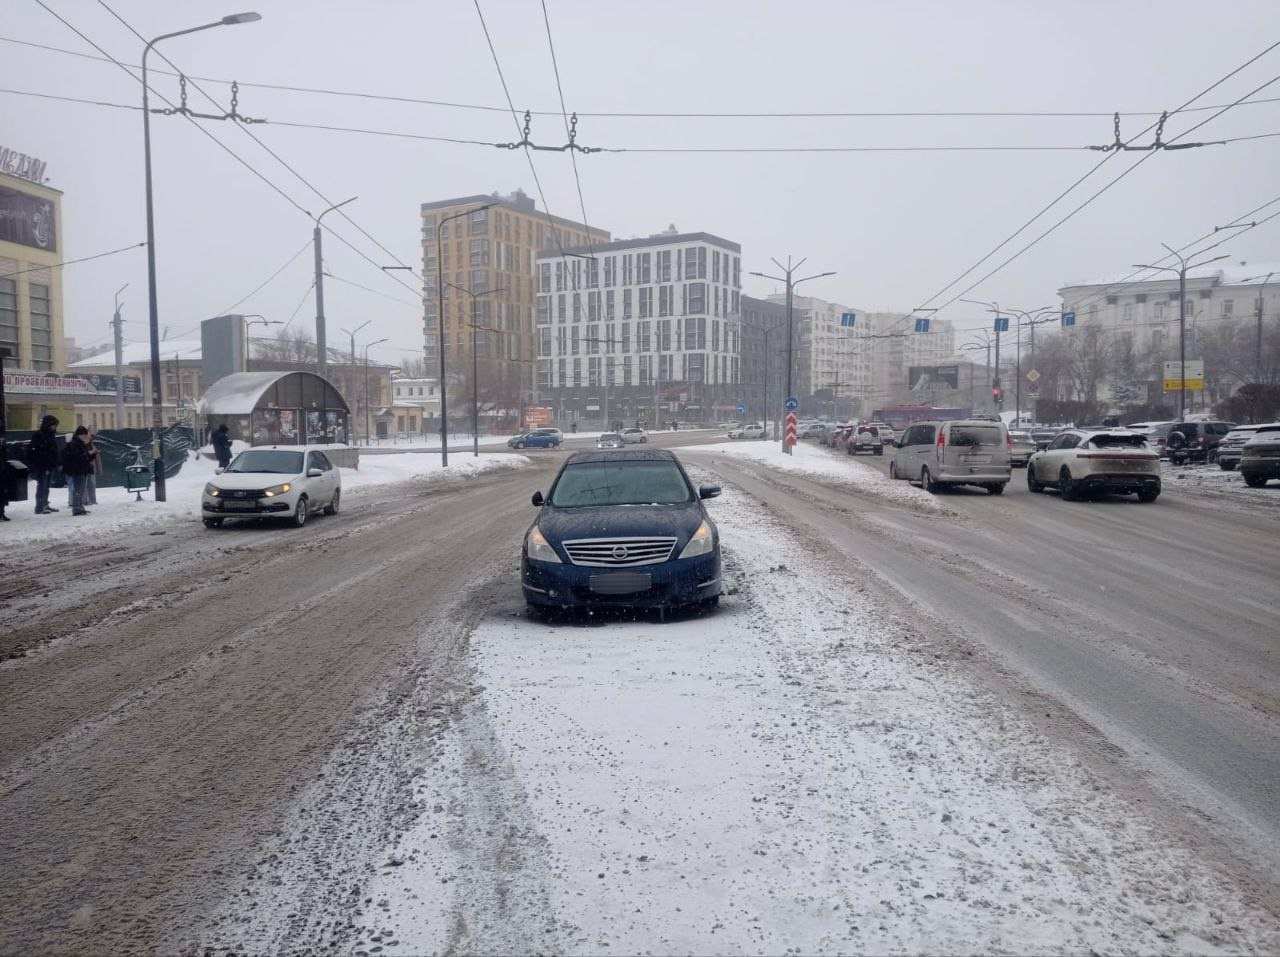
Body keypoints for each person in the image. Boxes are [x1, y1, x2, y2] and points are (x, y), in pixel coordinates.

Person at [28, 414, 60, 514]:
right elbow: (35, 451)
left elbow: (52, 450)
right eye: (54, 425)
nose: (55, 427)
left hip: (48, 464)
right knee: (42, 485)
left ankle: (44, 504)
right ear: (48, 425)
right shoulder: (39, 435)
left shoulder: (50, 435)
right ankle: (40, 506)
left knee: (46, 486)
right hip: (42, 465)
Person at [61, 425, 94, 516]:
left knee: (80, 489)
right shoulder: (75, 443)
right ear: (80, 435)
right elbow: (78, 457)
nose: (86, 437)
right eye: (84, 435)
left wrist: (91, 453)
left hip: (80, 469)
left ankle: (79, 507)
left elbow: (85, 457)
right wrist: (88, 453)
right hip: (78, 469)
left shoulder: (79, 443)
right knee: (78, 489)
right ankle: (77, 508)